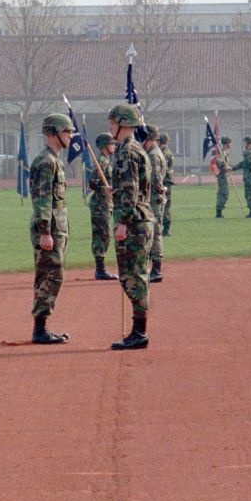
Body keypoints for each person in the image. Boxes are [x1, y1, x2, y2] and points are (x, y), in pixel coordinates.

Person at [108, 102, 154, 350]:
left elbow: (130, 191)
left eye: (113, 123)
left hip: (134, 221)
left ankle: (139, 333)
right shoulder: (133, 149)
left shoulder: (127, 152)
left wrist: (123, 222)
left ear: (123, 125)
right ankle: (139, 331)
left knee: (133, 277)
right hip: (140, 218)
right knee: (135, 276)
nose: (110, 127)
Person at [29, 112, 75, 344]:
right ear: (55, 133)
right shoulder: (47, 161)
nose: (70, 136)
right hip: (50, 228)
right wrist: (45, 231)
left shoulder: (54, 159)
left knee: (49, 274)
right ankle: (40, 329)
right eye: (67, 131)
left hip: (56, 225)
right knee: (51, 275)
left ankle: (42, 326)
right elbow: (42, 199)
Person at [89, 132, 118, 280]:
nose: (114, 146)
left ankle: (101, 269)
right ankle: (100, 270)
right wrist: (104, 188)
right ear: (104, 146)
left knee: (105, 235)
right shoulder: (102, 161)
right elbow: (92, 182)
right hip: (100, 204)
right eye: (111, 143)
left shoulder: (106, 160)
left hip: (106, 202)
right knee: (102, 235)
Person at [143, 127, 168, 281]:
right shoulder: (154, 152)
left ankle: (157, 269)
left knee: (155, 233)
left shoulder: (152, 155)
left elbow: (155, 179)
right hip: (153, 198)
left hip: (153, 199)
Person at [232, 134, 251, 217]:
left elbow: (250, 163)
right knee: (249, 194)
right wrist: (233, 168)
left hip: (250, 177)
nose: (244, 145)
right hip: (250, 176)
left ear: (248, 143)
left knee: (250, 194)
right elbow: (244, 163)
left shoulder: (249, 152)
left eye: (245, 143)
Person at [156, 131, 175, 236]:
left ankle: (166, 228)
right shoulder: (162, 152)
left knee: (165, 205)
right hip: (162, 181)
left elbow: (165, 169)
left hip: (165, 182)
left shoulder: (165, 154)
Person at [214, 136, 232, 217]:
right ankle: (219, 212)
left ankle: (219, 211)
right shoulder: (222, 152)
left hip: (225, 176)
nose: (230, 146)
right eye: (229, 144)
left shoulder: (225, 152)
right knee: (223, 193)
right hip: (222, 176)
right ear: (226, 144)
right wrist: (224, 167)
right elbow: (218, 162)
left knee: (224, 193)